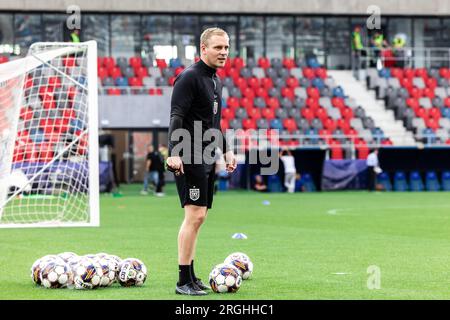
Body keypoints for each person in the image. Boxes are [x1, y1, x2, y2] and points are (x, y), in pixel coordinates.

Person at [166, 27, 236, 296]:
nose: (224, 52)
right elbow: (176, 116)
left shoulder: (215, 81)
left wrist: (227, 150)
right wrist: (173, 152)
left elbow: (214, 124)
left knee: (200, 216)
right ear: (203, 49)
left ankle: (192, 277)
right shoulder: (189, 77)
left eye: (226, 47)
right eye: (218, 47)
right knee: (193, 215)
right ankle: (183, 280)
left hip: (207, 156)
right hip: (189, 154)